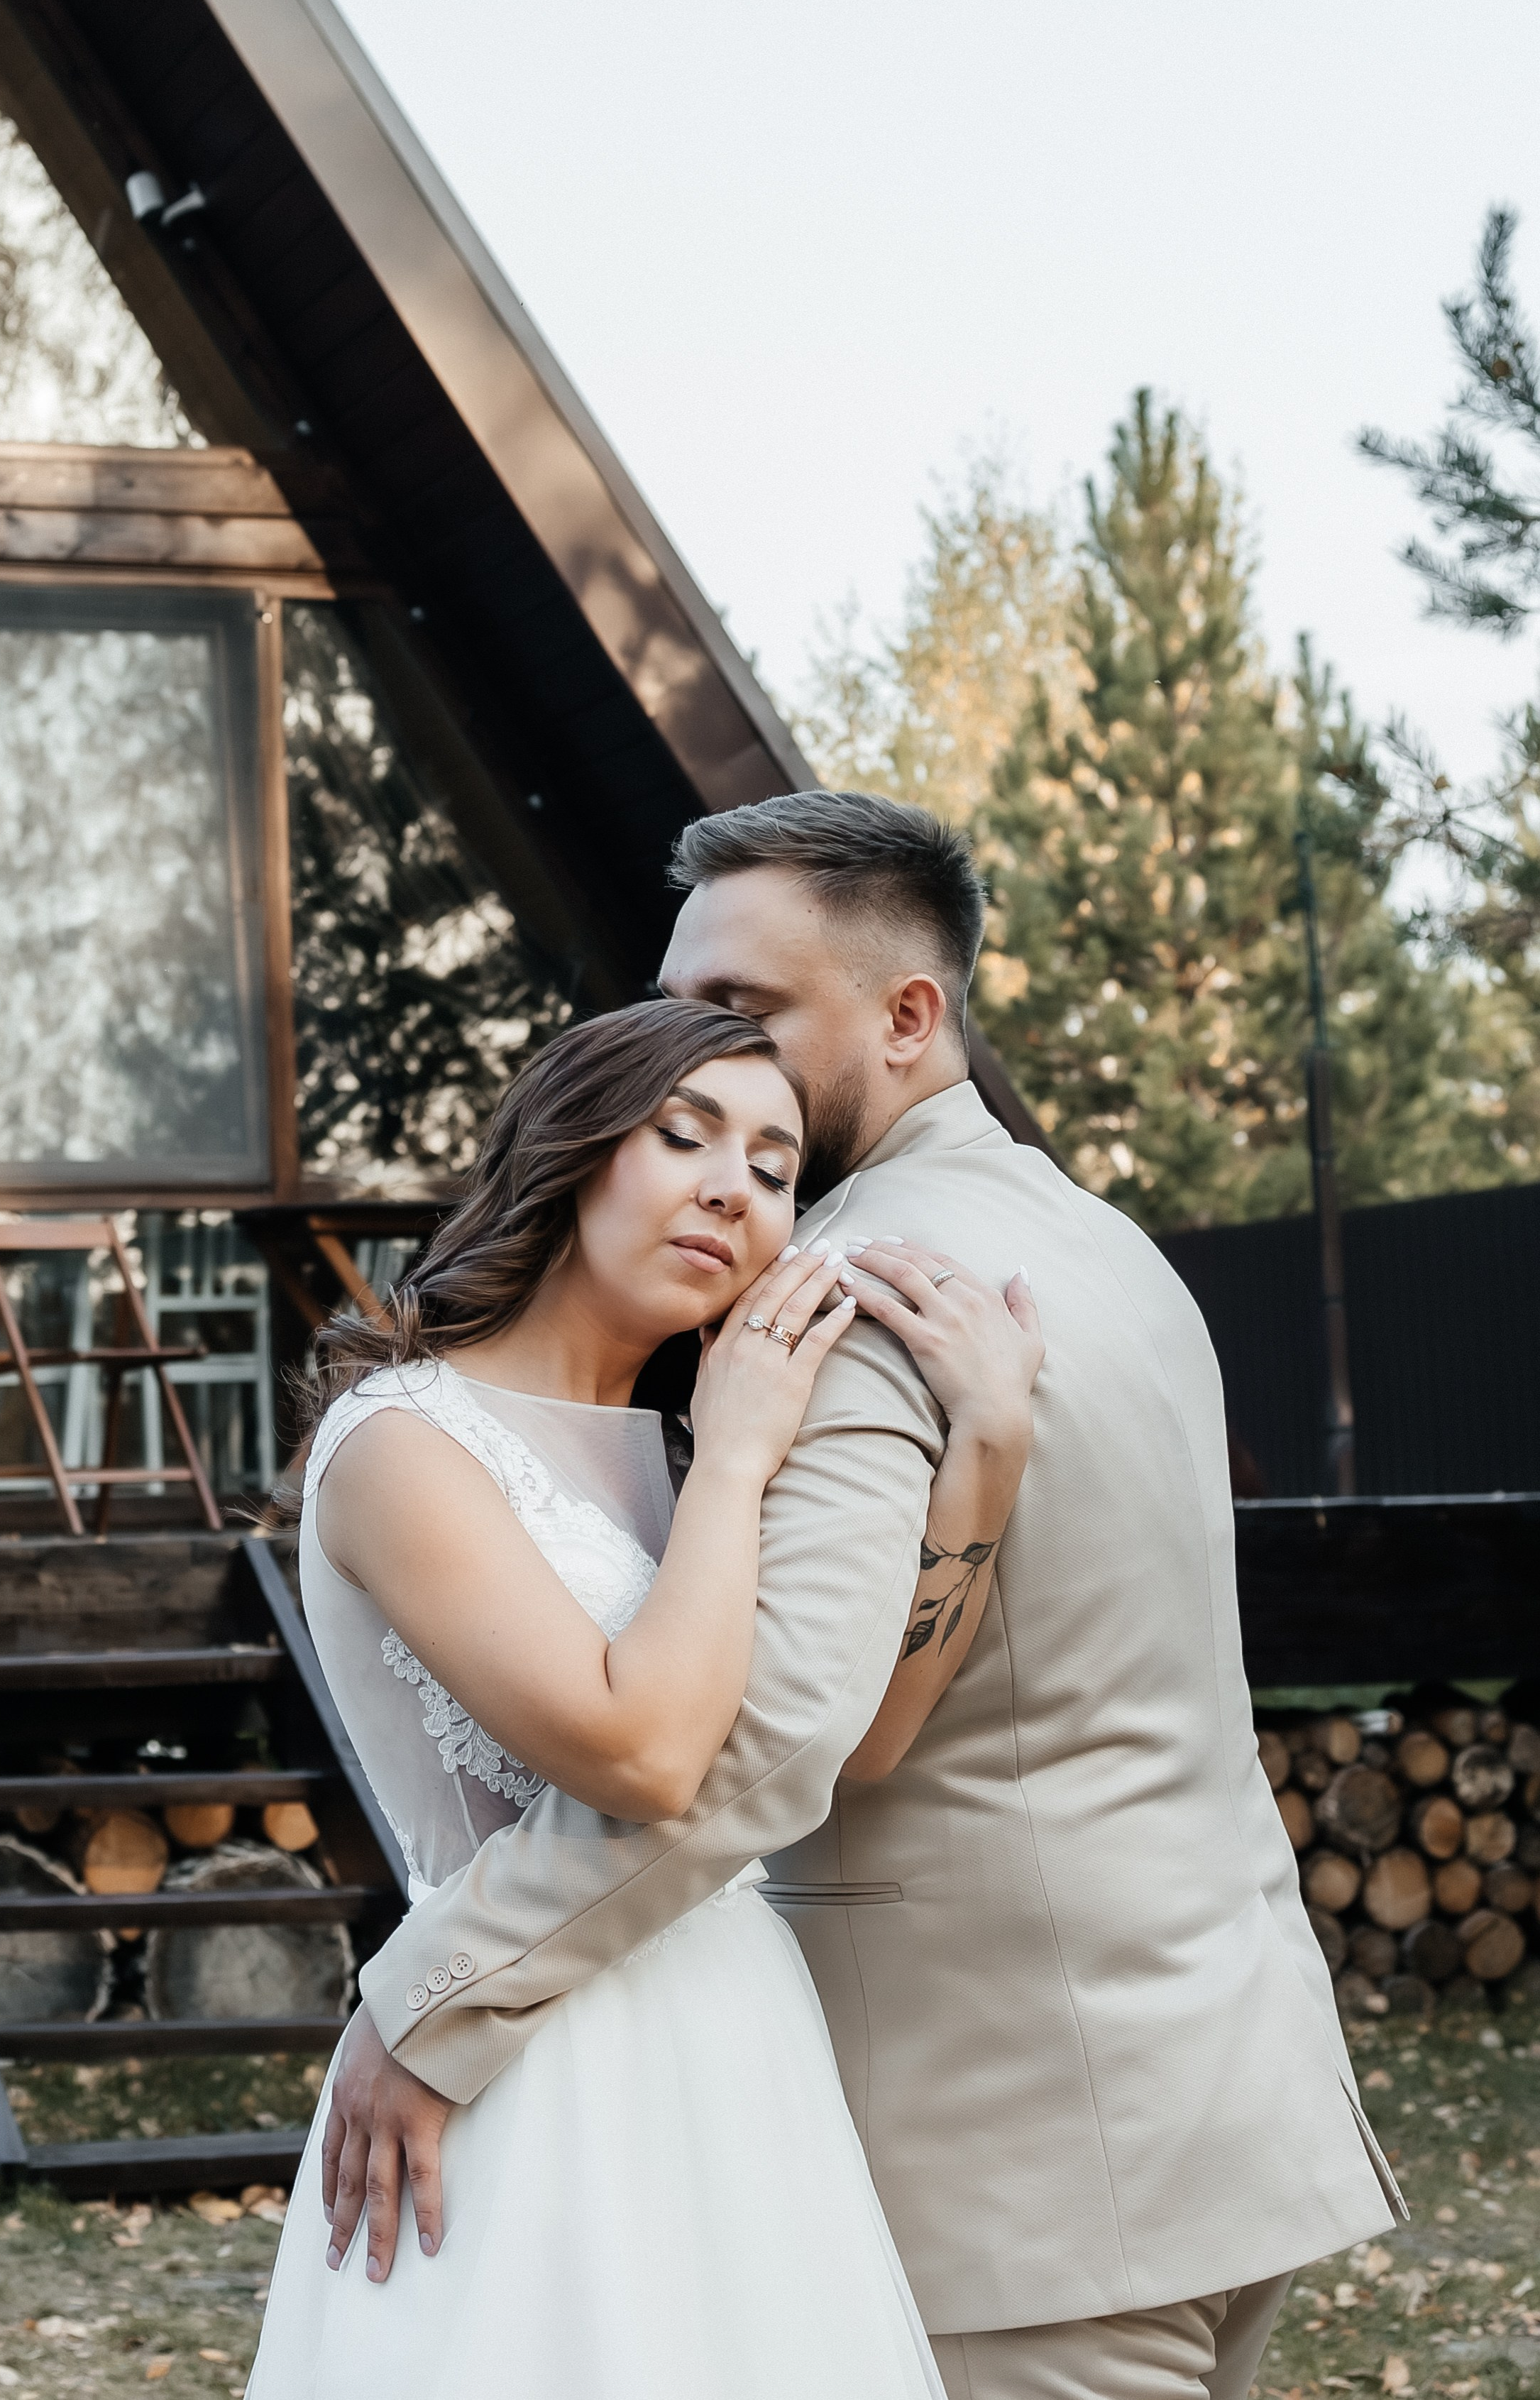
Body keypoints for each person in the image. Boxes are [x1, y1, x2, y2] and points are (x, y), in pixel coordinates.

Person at [324, 788, 1403, 2400]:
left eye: (738, 1014)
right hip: (1221, 2102)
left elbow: (756, 1743)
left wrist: (424, 1998)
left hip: (1021, 2157)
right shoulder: (1104, 1250)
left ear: (908, 1013)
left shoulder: (856, 1292)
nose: (686, 1044)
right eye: (675, 1019)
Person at [246, 992, 1043, 2399]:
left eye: (776, 1168)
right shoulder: (402, 1442)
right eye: (686, 1136)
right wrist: (740, 1456)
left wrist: (982, 1446)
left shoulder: (690, 1447)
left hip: (738, 2039)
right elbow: (651, 1754)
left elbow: (861, 1742)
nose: (732, 1187)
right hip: (518, 2065)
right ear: (572, 1148)